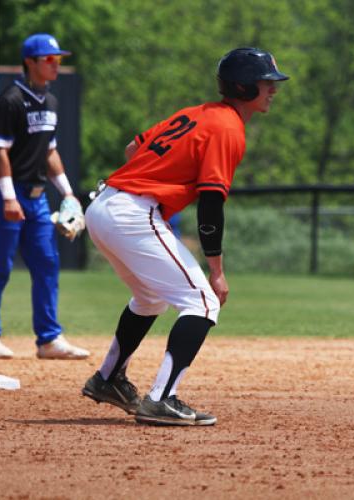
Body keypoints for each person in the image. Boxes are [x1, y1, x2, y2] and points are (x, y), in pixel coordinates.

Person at [82, 47, 289, 425]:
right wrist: (217, 270)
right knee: (204, 302)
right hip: (131, 213)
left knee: (148, 298)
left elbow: (133, 149)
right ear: (243, 87)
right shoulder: (228, 129)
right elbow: (211, 204)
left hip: (104, 207)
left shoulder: (195, 113)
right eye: (266, 83)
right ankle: (161, 398)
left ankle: (108, 378)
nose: (273, 90)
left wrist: (155, 176)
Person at [0, 33, 90, 360]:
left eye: (58, 59)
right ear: (30, 62)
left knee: (47, 263)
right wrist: (9, 197)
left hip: (38, 197)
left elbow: (49, 152)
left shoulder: (50, 102)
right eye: (49, 59)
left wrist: (68, 193)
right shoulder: (10, 101)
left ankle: (49, 339)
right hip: (6, 194)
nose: (56, 64)